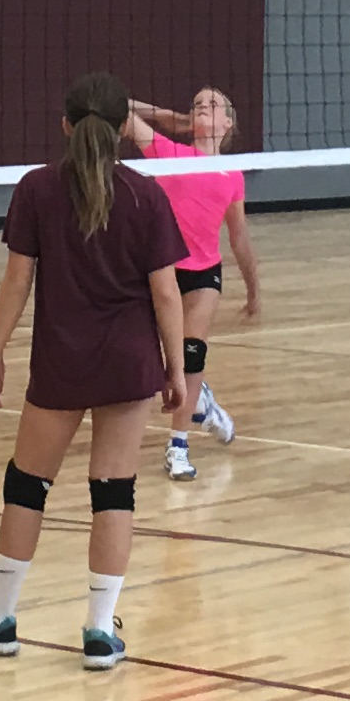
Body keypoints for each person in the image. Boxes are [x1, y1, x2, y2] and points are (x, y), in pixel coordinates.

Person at [0, 72, 188, 672]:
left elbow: (17, 281)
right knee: (113, 490)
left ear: (66, 126)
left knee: (27, 485)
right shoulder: (146, 197)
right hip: (128, 361)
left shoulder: (38, 188)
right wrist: (176, 369)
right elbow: (167, 294)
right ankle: (99, 630)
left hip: (62, 359)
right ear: (123, 130)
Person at [125, 87, 258, 480]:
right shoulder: (169, 152)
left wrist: (253, 291)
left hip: (204, 274)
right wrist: (169, 116)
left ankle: (178, 446)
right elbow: (119, 108)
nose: (202, 107)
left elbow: (239, 237)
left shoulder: (233, 175)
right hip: (161, 270)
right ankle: (202, 401)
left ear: (227, 123)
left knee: (191, 355)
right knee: (155, 362)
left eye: (212, 105)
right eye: (197, 103)